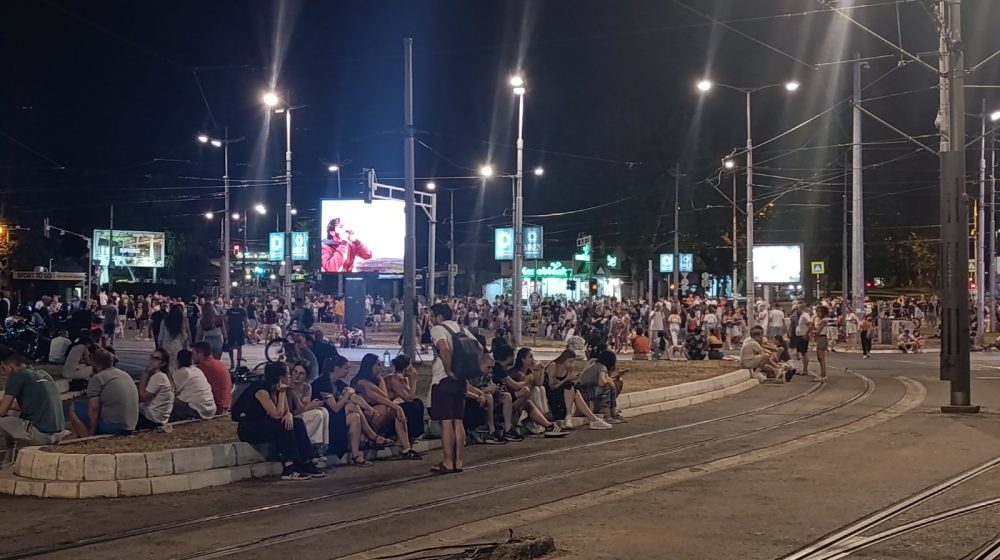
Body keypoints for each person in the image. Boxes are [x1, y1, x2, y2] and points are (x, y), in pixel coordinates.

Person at [232, 361, 324, 480]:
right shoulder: (261, 390)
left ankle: (306, 462)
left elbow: (285, 412)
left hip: (264, 423)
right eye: (288, 374)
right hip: (249, 427)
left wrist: (289, 414)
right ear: (281, 377)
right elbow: (276, 415)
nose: (290, 376)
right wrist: (282, 393)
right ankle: (288, 468)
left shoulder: (277, 388)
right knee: (283, 426)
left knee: (297, 423)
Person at [314, 355, 390, 467]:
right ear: (336, 368)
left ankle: (356, 455)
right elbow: (335, 408)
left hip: (336, 417)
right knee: (350, 405)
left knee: (355, 416)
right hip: (325, 418)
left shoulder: (338, 383)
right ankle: (372, 436)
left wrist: (368, 408)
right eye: (346, 368)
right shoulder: (323, 383)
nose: (348, 371)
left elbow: (354, 397)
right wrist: (348, 395)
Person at [428, 302, 474, 474]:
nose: (431, 320)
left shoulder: (438, 329)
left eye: (432, 317)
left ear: (440, 317)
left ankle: (448, 461)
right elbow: (478, 348)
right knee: (458, 421)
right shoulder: (461, 329)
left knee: (447, 422)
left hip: (444, 379)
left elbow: (444, 348)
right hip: (461, 379)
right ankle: (459, 461)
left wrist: (448, 370)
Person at [352, 353, 421, 460]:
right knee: (388, 409)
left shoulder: (379, 380)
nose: (380, 368)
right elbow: (375, 397)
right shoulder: (360, 381)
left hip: (379, 412)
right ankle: (371, 439)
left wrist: (378, 384)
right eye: (377, 365)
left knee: (395, 410)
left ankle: (406, 448)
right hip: (365, 414)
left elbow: (385, 397)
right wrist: (397, 407)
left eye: (380, 365)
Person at [0, 350, 64, 447]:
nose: (4, 372)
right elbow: (33, 406)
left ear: (10, 366)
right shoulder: (43, 373)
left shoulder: (16, 375)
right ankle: (10, 454)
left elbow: (2, 412)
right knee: (14, 418)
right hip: (58, 434)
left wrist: (3, 404)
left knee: (5, 420)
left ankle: (10, 454)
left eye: (3, 368)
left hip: (41, 435)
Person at [67, 349, 138, 436]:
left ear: (93, 362)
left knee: (74, 406)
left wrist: (91, 431)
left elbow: (94, 408)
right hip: (130, 427)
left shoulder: (99, 378)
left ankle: (86, 437)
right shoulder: (124, 374)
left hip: (113, 428)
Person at [543, 349, 610, 430]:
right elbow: (552, 387)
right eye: (570, 361)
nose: (571, 364)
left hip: (564, 394)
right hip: (552, 394)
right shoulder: (553, 366)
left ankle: (572, 417)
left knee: (574, 389)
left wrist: (573, 378)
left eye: (573, 362)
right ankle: (593, 419)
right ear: (564, 359)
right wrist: (566, 379)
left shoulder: (568, 368)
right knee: (571, 387)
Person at [287, 361, 331, 458]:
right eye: (295, 372)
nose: (297, 376)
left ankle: (322, 446)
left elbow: (304, 408)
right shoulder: (288, 386)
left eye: (301, 373)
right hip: (291, 418)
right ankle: (311, 446)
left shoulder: (306, 387)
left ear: (306, 376)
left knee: (324, 411)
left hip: (301, 415)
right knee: (317, 414)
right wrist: (294, 395)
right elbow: (290, 412)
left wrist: (312, 406)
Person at [577, 350, 626, 424]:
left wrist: (617, 376)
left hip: (586, 388)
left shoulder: (598, 365)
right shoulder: (602, 367)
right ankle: (607, 415)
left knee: (611, 386)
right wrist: (608, 381)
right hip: (583, 390)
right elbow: (602, 382)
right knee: (606, 388)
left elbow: (605, 380)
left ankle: (613, 413)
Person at [385, 354, 426, 441]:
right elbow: (409, 398)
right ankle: (412, 434)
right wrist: (413, 379)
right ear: (407, 367)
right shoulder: (395, 378)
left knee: (417, 402)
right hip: (389, 409)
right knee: (413, 406)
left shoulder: (401, 378)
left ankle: (413, 434)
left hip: (394, 406)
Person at [170, 349, 217, 421]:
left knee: (166, 401)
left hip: (196, 410)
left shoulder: (182, 372)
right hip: (210, 410)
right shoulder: (197, 370)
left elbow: (170, 391)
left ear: (177, 361)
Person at [136, 348, 175, 430]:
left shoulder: (159, 376)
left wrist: (145, 374)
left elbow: (142, 397)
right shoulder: (164, 376)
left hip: (151, 418)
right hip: (158, 417)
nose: (152, 360)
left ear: (163, 363)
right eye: (152, 357)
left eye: (157, 358)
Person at [193, 341, 232, 414]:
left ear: (200, 354)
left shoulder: (202, 367)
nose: (192, 357)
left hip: (217, 406)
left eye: (193, 354)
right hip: (226, 404)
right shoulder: (218, 363)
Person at [158, 304, 189, 370]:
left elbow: (161, 336)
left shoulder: (164, 321)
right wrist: (185, 348)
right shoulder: (182, 322)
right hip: (178, 346)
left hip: (166, 345)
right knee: (177, 365)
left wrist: (159, 348)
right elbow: (185, 337)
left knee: (167, 365)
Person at [226, 298, 248, 370]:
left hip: (238, 331)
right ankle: (234, 363)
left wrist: (246, 331)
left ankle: (237, 364)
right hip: (233, 331)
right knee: (232, 347)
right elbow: (226, 321)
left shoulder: (241, 311)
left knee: (238, 347)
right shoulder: (230, 311)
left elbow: (245, 322)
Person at [812, 306, 830, 382]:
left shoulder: (823, 320)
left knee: (821, 358)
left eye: (820, 311)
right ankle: (822, 375)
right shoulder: (821, 320)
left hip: (822, 338)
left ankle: (823, 375)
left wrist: (813, 332)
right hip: (820, 338)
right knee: (819, 358)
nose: (818, 313)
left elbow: (818, 331)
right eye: (818, 311)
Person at [794, 303, 812, 375]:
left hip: (803, 336)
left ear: (801, 308)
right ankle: (804, 369)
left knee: (804, 353)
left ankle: (805, 370)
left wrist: (806, 334)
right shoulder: (801, 316)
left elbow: (810, 326)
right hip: (800, 335)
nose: (796, 310)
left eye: (797, 309)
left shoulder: (805, 315)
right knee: (802, 353)